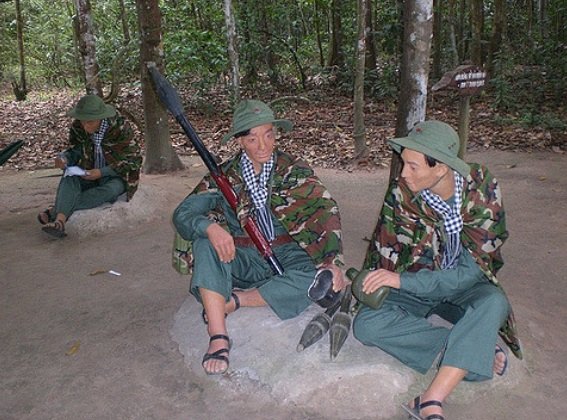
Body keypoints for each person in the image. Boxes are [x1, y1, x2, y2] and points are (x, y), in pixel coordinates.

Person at [352, 121, 522, 420]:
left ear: (441, 168)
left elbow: (471, 273)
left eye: (413, 166)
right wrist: (379, 282)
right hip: (418, 284)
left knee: (494, 301)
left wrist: (400, 280)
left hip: (463, 284)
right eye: (403, 163)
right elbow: (384, 249)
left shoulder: (482, 189)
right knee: (366, 325)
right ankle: (470, 349)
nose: (403, 173)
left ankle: (430, 398)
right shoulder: (401, 194)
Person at [172, 99, 345, 375]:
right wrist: (210, 228)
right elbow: (183, 213)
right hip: (242, 257)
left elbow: (325, 211)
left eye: (268, 135)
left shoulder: (292, 169)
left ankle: (233, 302)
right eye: (252, 139)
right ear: (240, 141)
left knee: (317, 279)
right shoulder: (224, 176)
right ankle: (218, 336)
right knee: (205, 244)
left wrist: (333, 260)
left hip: (288, 255)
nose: (263, 145)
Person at [37, 95, 142, 238]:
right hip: (87, 172)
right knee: (69, 176)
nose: (85, 126)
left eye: (90, 122)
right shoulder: (77, 127)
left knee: (110, 190)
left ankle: (56, 211)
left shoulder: (120, 127)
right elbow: (75, 150)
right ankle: (60, 222)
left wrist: (102, 172)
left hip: (115, 176)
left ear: (101, 118)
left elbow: (134, 160)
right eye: (82, 121)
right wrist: (64, 158)